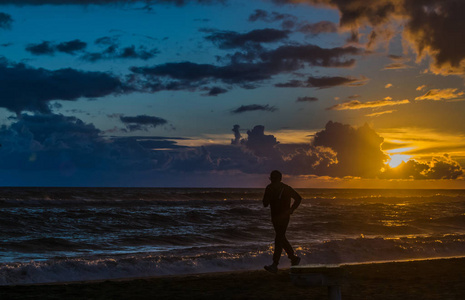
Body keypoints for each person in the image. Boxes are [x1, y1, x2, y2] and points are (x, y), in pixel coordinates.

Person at [262, 170, 302, 273]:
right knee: (281, 238)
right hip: (276, 218)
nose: (273, 181)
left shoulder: (284, 188)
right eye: (273, 179)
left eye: (274, 179)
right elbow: (265, 204)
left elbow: (298, 198)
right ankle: (293, 258)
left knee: (279, 238)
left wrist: (292, 209)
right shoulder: (270, 188)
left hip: (283, 217)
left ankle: (275, 264)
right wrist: (291, 209)